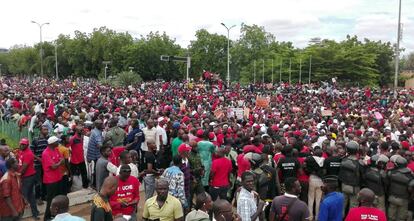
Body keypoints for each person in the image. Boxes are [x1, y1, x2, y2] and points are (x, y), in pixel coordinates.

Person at [43, 136, 65, 221]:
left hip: (58, 177)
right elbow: (53, 166)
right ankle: (47, 217)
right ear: (52, 143)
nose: (58, 143)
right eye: (57, 142)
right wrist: (59, 162)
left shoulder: (56, 150)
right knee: (50, 200)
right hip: (50, 180)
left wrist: (58, 163)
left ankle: (54, 215)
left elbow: (61, 159)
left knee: (57, 198)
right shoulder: (46, 153)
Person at [338, 141, 364, 212]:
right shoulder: (359, 162)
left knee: (342, 206)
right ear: (357, 150)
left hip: (344, 186)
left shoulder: (343, 160)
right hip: (355, 188)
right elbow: (363, 177)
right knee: (353, 208)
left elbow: (340, 175)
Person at [17, 138, 39, 220]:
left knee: (23, 196)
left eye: (23, 144)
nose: (21, 145)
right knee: (31, 196)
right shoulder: (22, 151)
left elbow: (24, 168)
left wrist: (17, 175)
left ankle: (19, 216)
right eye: (21, 144)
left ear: (27, 145)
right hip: (26, 177)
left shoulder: (28, 153)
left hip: (28, 177)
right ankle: (35, 213)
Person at [387, 156, 414, 221]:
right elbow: (410, 189)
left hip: (392, 197)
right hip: (404, 199)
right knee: (401, 218)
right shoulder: (410, 175)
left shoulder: (391, 173)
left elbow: (387, 184)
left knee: (391, 217)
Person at [31, 126, 49, 204]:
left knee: (45, 180)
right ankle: (37, 198)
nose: (47, 131)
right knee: (38, 181)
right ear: (41, 131)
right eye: (45, 129)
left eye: (47, 129)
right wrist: (39, 159)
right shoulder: (35, 140)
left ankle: (44, 196)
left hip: (45, 164)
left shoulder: (48, 140)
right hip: (38, 164)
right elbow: (31, 152)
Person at [305, 148, 325, 220]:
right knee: (318, 200)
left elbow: (305, 165)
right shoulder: (324, 160)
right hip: (320, 180)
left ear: (314, 153)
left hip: (312, 178)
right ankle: (317, 217)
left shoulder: (310, 159)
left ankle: (310, 217)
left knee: (310, 199)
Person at [87, 120, 104, 189]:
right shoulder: (97, 133)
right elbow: (99, 145)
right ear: (97, 125)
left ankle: (94, 184)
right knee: (97, 170)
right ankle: (95, 184)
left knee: (96, 169)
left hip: (93, 153)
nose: (102, 125)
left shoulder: (94, 130)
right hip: (96, 154)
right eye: (101, 124)